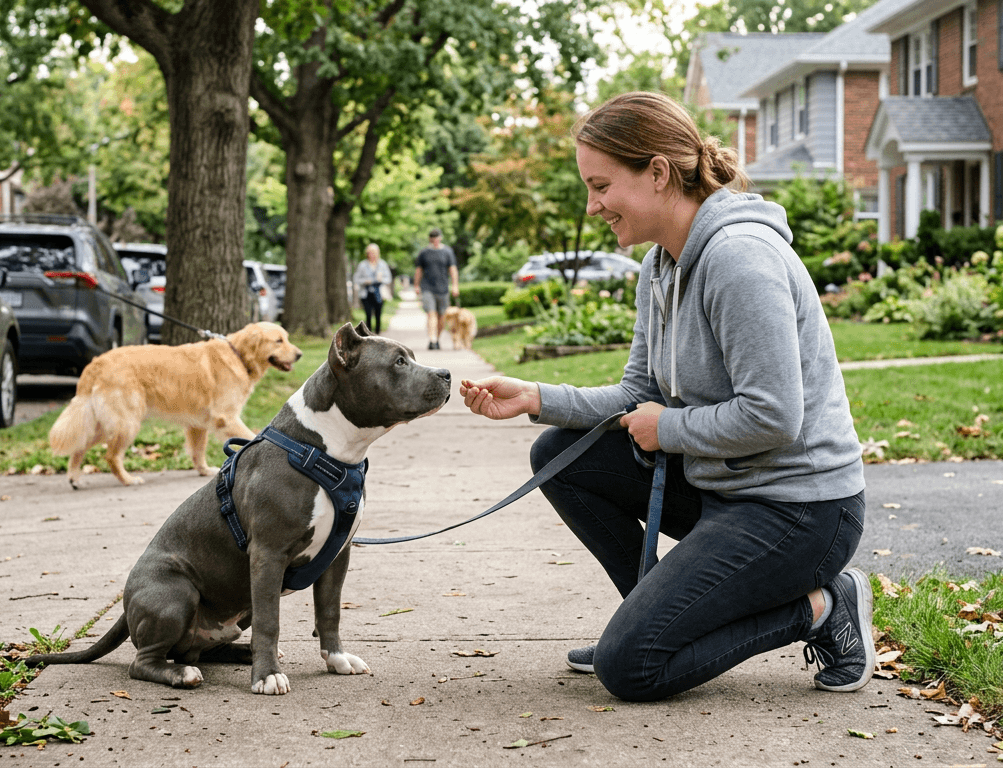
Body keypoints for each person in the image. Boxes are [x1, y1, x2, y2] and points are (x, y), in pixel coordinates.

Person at [458, 91, 870, 702]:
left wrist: (669, 429)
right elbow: (639, 394)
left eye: (601, 186)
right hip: (722, 486)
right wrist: (534, 397)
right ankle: (653, 621)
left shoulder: (739, 259)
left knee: (631, 669)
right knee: (558, 454)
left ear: (657, 172)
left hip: (799, 509)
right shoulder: (661, 266)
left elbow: (776, 416)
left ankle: (824, 606)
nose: (592, 206)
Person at [414, 228, 459, 350]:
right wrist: (416, 285)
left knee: (442, 317)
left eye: (437, 239)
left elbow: (453, 269)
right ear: (430, 239)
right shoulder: (424, 253)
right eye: (433, 239)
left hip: (443, 288)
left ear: (440, 238)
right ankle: (432, 339)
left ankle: (437, 338)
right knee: (431, 314)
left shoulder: (447, 252)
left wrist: (455, 285)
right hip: (427, 288)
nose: (435, 241)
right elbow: (419, 270)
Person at [352, 243, 394, 333]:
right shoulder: (362, 265)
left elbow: (388, 278)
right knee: (368, 314)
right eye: (370, 252)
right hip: (366, 293)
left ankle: (378, 332)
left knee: (378, 313)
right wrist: (366, 281)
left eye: (374, 252)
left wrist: (381, 279)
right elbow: (356, 279)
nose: (372, 255)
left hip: (379, 293)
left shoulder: (382, 264)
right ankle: (369, 332)